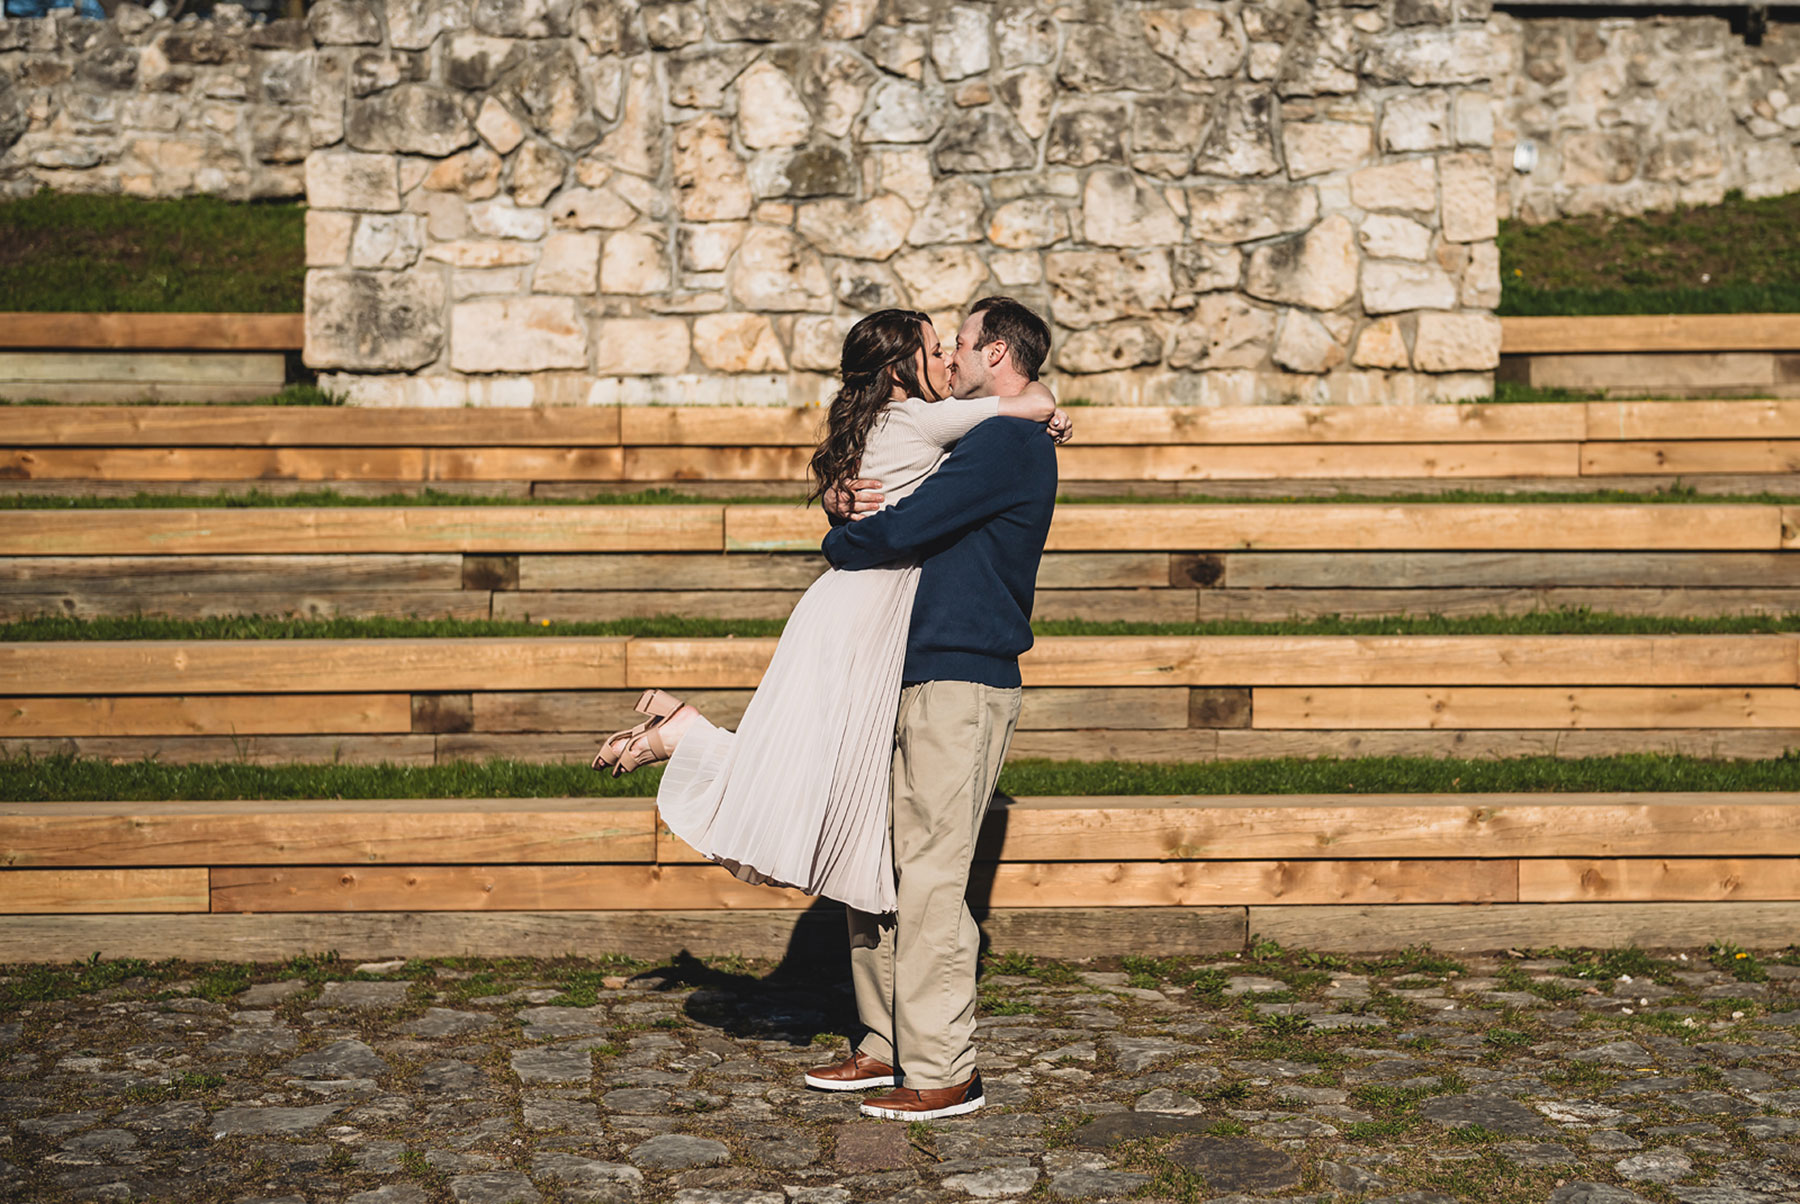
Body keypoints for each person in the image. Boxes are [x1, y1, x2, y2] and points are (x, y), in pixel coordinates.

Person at [591, 305, 1069, 924]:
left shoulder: (880, 422)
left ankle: (693, 738)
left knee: (823, 769)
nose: (950, 356)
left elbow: (885, 494)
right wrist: (1051, 410)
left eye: (957, 345)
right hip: (864, 605)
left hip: (850, 600)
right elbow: (1028, 404)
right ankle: (692, 738)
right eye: (937, 349)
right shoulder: (925, 419)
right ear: (903, 370)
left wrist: (839, 518)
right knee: (819, 772)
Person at [801, 296, 1061, 1121]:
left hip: (960, 678)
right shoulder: (978, 433)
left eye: (960, 344)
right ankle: (884, 1046)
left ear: (995, 355)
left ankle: (945, 1068)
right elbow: (881, 498)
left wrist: (841, 535)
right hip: (900, 671)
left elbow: (899, 527)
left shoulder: (1009, 443)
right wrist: (842, 501)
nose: (948, 356)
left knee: (933, 876)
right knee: (870, 865)